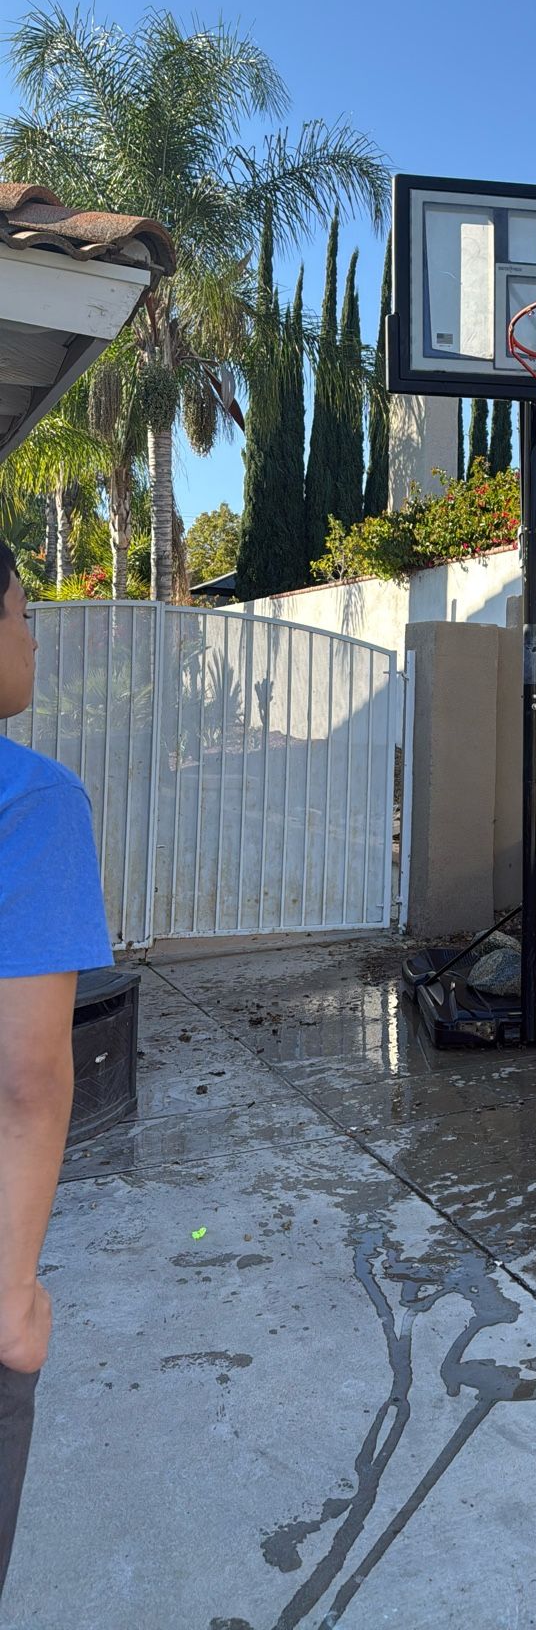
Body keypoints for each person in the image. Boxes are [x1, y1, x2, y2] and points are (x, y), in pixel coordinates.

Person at [0, 543, 112, 1601]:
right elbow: (27, 1078)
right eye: (25, 614)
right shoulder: (30, 801)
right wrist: (12, 1292)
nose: (34, 638)